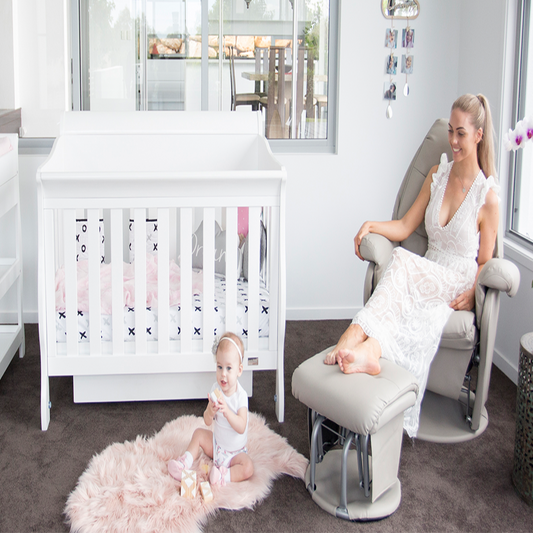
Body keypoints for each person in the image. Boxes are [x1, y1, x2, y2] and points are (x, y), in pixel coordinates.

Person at [324, 94, 499, 438]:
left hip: (456, 281)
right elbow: (405, 226)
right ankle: (370, 351)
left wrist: (473, 291)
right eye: (450, 131)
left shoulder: (487, 197)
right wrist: (371, 225)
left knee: (402, 260)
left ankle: (354, 334)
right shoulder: (438, 175)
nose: (453, 140)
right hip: (426, 273)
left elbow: (485, 261)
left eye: (461, 133)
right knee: (402, 272)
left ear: (479, 135)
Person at [168, 332, 253, 486]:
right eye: (219, 367)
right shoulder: (216, 389)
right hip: (217, 446)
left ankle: (223, 476)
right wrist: (210, 411)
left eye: (229, 368)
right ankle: (184, 463)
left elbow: (241, 427)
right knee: (198, 434)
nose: (223, 374)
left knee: (248, 468)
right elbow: (207, 421)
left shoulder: (241, 396)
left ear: (239, 370)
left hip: (235, 454)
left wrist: (227, 412)